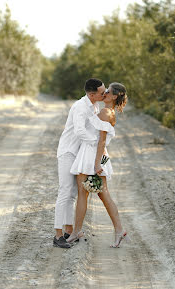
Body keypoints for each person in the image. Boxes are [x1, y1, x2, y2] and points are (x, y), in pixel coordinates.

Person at [67, 82, 129, 248]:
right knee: (104, 193)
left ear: (114, 96)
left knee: (83, 192)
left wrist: (96, 165)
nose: (105, 93)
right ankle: (118, 230)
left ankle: (76, 231)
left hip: (93, 154)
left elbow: (101, 141)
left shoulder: (105, 112)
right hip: (102, 155)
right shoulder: (110, 112)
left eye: (107, 91)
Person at [53, 78, 106, 248]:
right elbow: (80, 130)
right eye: (101, 92)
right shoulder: (80, 107)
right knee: (65, 191)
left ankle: (69, 230)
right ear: (92, 94)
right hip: (68, 152)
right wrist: (96, 144)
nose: (104, 94)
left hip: (79, 154)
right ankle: (58, 235)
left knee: (73, 194)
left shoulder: (94, 106)